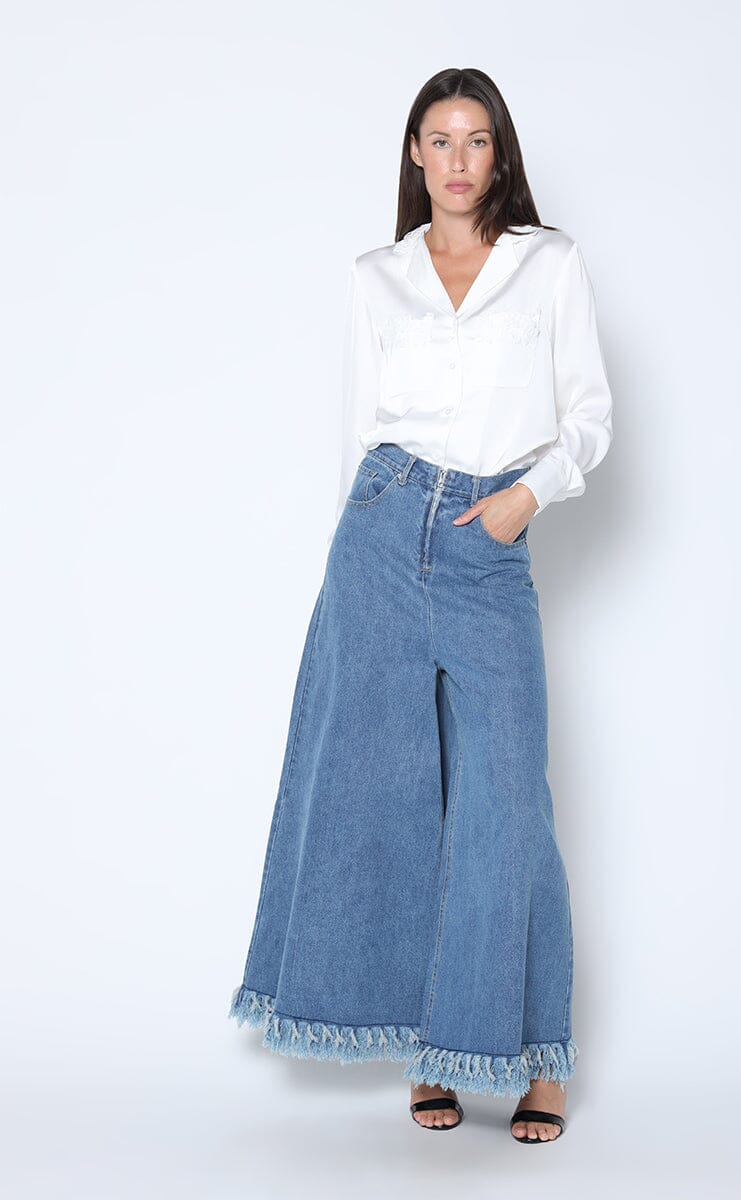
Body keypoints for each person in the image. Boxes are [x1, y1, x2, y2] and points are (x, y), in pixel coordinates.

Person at [228, 66, 614, 1146]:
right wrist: (361, 556)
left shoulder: (549, 264)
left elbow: (589, 415)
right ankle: (432, 1052)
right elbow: (362, 432)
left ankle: (538, 1059)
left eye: (475, 140)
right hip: (381, 533)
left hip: (491, 540)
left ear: (500, 153)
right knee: (392, 801)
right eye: (438, 141)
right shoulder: (377, 276)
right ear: (414, 153)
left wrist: (525, 499)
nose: (457, 161)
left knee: (508, 805)